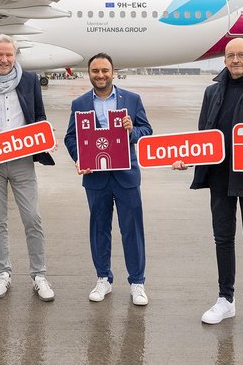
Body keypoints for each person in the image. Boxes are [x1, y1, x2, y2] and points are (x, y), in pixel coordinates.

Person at [173, 37, 243, 340]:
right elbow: (202, 136)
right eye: (230, 55)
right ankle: (226, 299)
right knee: (222, 239)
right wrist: (186, 158)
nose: (235, 60)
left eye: (242, 55)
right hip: (220, 177)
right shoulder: (212, 92)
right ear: (224, 60)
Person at [0, 34, 55, 301]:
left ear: (15, 56)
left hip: (22, 160)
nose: (4, 59)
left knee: (32, 218)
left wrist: (45, 137)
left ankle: (39, 275)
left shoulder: (29, 81)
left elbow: (39, 116)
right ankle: (3, 273)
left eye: (8, 54)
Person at [64, 53, 152, 306]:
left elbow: (147, 130)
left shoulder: (132, 100)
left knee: (132, 230)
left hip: (126, 175)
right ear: (88, 73)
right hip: (96, 176)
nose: (100, 75)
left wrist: (132, 131)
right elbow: (71, 137)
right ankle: (103, 278)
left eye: (105, 71)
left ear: (113, 72)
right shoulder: (80, 103)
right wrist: (80, 157)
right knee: (99, 229)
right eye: (95, 71)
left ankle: (137, 282)